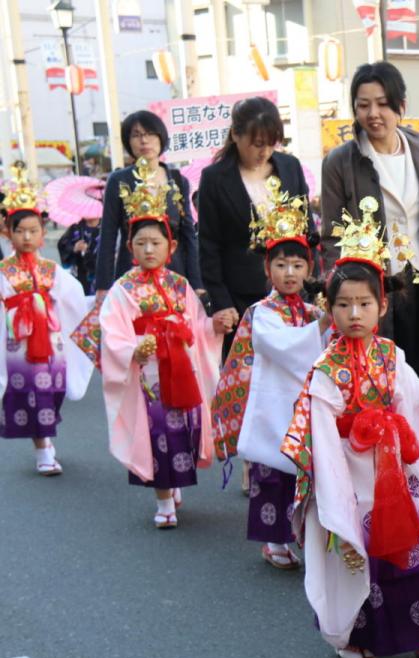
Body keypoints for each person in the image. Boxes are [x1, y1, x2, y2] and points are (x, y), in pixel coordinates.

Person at [282, 196, 419, 658]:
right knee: (358, 556)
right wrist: (336, 483)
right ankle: (356, 633)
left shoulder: (391, 355)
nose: (354, 313)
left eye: (364, 303)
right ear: (329, 308)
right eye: (343, 304)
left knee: (406, 553)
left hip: (392, 473)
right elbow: (317, 429)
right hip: (349, 475)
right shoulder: (325, 368)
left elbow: (412, 399)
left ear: (382, 305)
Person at [321, 61, 419, 548]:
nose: (373, 113)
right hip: (377, 297)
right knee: (378, 408)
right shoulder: (341, 161)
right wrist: (341, 301)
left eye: (382, 103)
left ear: (400, 106)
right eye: (363, 105)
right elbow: (331, 237)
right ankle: (380, 509)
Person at [99, 158, 235, 529]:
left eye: (155, 242)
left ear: (169, 246)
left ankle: (172, 484)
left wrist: (215, 327)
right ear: (129, 247)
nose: (148, 249)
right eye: (140, 242)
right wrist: (132, 349)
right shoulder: (123, 288)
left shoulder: (179, 285)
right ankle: (163, 502)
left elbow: (197, 327)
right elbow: (112, 331)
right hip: (150, 374)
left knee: (183, 428)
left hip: (182, 369)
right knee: (157, 431)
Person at [211, 177, 330, 569]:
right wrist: (321, 327)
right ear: (268, 267)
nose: (290, 272)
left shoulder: (313, 312)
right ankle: (273, 540)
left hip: (304, 404)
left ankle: (305, 533)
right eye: (281, 264)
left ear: (308, 267)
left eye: (298, 264)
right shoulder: (263, 312)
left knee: (305, 470)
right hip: (273, 404)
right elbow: (282, 347)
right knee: (273, 473)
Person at [0, 165, 92, 475]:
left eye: (33, 230)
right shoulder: (3, 272)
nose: (26, 237)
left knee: (53, 391)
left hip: (51, 341)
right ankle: (44, 450)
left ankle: (45, 441)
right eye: (20, 230)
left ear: (42, 233)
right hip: (18, 342)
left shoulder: (51, 270)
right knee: (32, 393)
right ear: (8, 232)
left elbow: (75, 300)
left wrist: (99, 306)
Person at [198, 97, 313, 333]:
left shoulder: (290, 166)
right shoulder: (215, 178)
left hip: (292, 291)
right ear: (235, 135)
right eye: (257, 144)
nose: (265, 152)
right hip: (240, 296)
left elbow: (307, 229)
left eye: (271, 144)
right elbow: (209, 245)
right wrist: (221, 301)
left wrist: (311, 284)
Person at [96, 111, 202, 299]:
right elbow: (108, 235)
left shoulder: (178, 180)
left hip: (174, 273)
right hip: (131, 272)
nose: (144, 141)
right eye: (136, 135)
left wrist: (197, 283)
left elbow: (188, 236)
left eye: (150, 134)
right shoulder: (119, 180)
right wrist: (103, 286)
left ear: (161, 137)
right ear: (128, 142)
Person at [56, 216, 100, 294]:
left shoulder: (105, 227)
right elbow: (62, 244)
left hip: (98, 273)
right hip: (79, 272)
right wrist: (74, 248)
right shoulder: (76, 226)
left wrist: (89, 251)